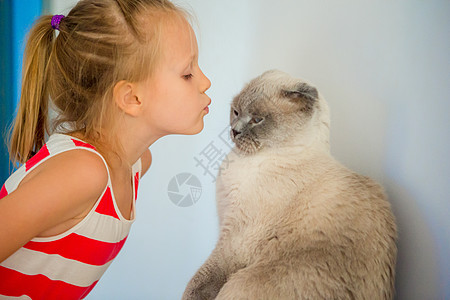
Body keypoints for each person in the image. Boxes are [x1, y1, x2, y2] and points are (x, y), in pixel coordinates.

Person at [0, 0, 211, 298]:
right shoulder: (83, 173)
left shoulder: (135, 165)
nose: (205, 82)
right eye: (187, 74)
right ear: (131, 98)